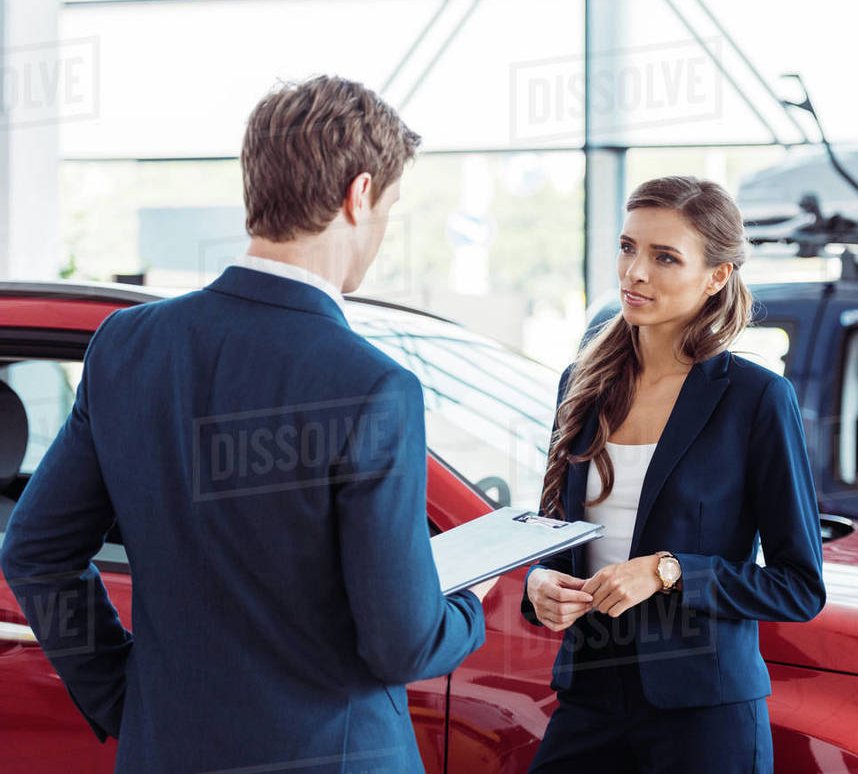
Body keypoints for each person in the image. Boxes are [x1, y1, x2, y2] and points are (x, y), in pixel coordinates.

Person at [0, 75, 496, 774]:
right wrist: (473, 600)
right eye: (388, 207)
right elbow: (401, 643)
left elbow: (36, 551)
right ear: (358, 196)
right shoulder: (372, 386)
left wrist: (124, 693)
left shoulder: (126, 348)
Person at [520, 175, 826, 773]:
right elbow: (555, 542)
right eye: (628, 247)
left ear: (716, 277)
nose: (634, 272)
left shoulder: (756, 399)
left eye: (664, 257)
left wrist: (670, 572)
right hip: (590, 696)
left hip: (704, 715)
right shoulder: (581, 386)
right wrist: (539, 588)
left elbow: (799, 586)